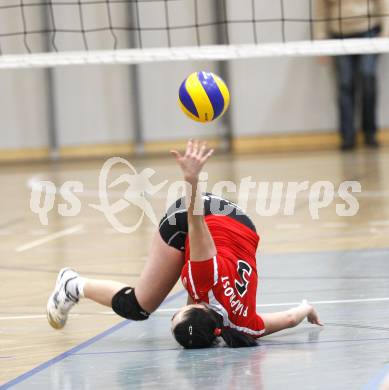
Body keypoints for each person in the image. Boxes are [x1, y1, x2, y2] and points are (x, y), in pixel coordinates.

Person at [47, 140, 323, 348]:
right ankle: (71, 284)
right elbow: (196, 220)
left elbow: (288, 319)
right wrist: (191, 179)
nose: (173, 314)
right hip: (203, 216)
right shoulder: (203, 277)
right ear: (198, 306)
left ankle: (74, 285)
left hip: (243, 226)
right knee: (139, 306)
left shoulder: (245, 326)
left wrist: (306, 308)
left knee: (148, 302)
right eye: (177, 315)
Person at [315, 0, 389, 150]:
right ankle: (347, 137)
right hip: (339, 34)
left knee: (367, 76)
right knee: (345, 83)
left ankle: (370, 134)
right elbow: (321, 10)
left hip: (369, 30)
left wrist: (386, 32)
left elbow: (384, 3)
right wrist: (320, 41)